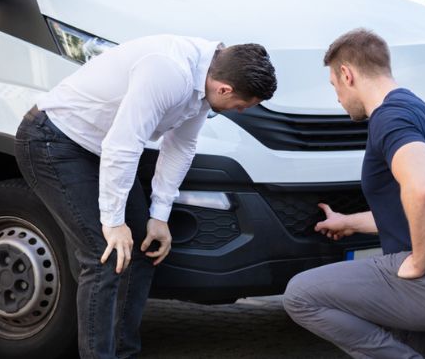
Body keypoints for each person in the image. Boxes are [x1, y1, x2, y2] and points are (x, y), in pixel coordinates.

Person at [14, 35, 277, 359]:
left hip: (100, 149)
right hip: (53, 141)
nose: (237, 111)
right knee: (105, 253)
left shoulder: (207, 78)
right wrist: (112, 221)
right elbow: (123, 145)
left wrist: (159, 217)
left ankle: (125, 353)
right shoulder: (169, 72)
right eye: (241, 106)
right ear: (225, 88)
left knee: (140, 247)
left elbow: (180, 146)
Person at [283, 29, 425, 359]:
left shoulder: (389, 118)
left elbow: (423, 188)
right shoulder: (416, 108)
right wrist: (349, 222)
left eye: (334, 86)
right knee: (363, 298)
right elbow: (410, 205)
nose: (338, 98)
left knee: (300, 295)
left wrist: (418, 261)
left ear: (347, 74)